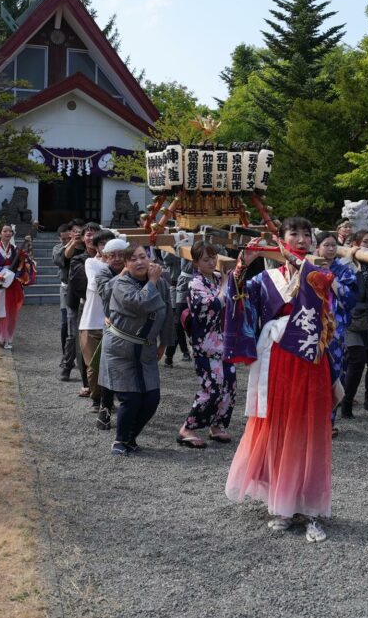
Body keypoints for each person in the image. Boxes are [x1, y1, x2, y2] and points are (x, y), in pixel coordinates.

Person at [224, 217, 337, 543]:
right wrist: (240, 269)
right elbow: (240, 300)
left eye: (306, 234)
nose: (301, 239)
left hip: (309, 357)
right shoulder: (266, 278)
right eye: (294, 234)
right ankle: (283, 504)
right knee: (279, 426)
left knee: (309, 428)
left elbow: (324, 295)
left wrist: (299, 264)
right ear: (282, 238)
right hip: (277, 358)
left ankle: (311, 505)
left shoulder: (319, 272)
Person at [100, 243, 171, 455]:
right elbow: (140, 303)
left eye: (143, 257)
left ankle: (131, 438)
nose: (139, 262)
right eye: (133, 259)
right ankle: (120, 440)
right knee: (130, 399)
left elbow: (167, 315)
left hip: (147, 349)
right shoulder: (121, 283)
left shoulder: (162, 283)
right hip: (121, 349)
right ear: (126, 264)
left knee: (151, 398)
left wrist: (165, 344)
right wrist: (152, 281)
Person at [176, 240, 237, 447]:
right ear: (196, 263)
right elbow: (214, 305)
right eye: (206, 259)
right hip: (206, 343)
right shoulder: (196, 283)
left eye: (213, 257)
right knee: (212, 387)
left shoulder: (219, 278)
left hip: (225, 341)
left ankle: (217, 425)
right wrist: (226, 285)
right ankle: (188, 428)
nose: (211, 262)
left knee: (230, 385)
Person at [315, 232, 357, 438]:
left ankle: (328, 422)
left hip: (334, 330)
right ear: (317, 248)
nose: (330, 249)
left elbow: (350, 298)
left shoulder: (344, 270)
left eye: (334, 245)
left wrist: (331, 279)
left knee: (334, 372)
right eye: (326, 245)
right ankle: (308, 420)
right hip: (311, 328)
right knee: (311, 373)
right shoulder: (308, 266)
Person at [340, 230, 368, 420]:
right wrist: (350, 256)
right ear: (356, 244)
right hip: (352, 316)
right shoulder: (348, 262)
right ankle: (346, 403)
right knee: (357, 360)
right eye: (364, 242)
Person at [92, 238, 129, 430]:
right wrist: (123, 274)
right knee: (108, 370)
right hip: (113, 327)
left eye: (121, 255)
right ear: (105, 257)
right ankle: (105, 407)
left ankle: (129, 409)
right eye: (112, 255)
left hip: (133, 328)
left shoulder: (136, 271)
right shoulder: (102, 273)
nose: (116, 259)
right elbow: (105, 292)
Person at [0, 225, 36, 350]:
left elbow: (23, 261)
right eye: (5, 231)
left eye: (10, 231)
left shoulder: (14, 249)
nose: (8, 233)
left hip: (10, 285)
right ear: (0, 233)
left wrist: (28, 244)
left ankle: (7, 338)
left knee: (9, 312)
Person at [78, 230, 117, 412]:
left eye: (110, 244)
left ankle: (107, 401)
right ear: (97, 247)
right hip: (91, 322)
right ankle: (96, 398)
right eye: (102, 245)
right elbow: (95, 284)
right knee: (93, 365)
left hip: (113, 324)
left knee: (111, 365)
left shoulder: (121, 266)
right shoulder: (91, 262)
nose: (106, 248)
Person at [66, 222, 101, 392]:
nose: (91, 237)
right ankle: (87, 384)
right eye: (88, 234)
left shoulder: (110, 259)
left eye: (95, 234)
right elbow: (80, 285)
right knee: (84, 346)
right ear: (83, 238)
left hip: (106, 306)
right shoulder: (78, 259)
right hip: (86, 304)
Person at [52, 221, 80, 381]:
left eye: (68, 237)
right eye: (63, 239)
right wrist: (69, 244)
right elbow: (60, 260)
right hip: (66, 289)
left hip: (81, 289)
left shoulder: (82, 247)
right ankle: (66, 356)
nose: (65, 240)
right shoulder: (59, 248)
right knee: (66, 324)